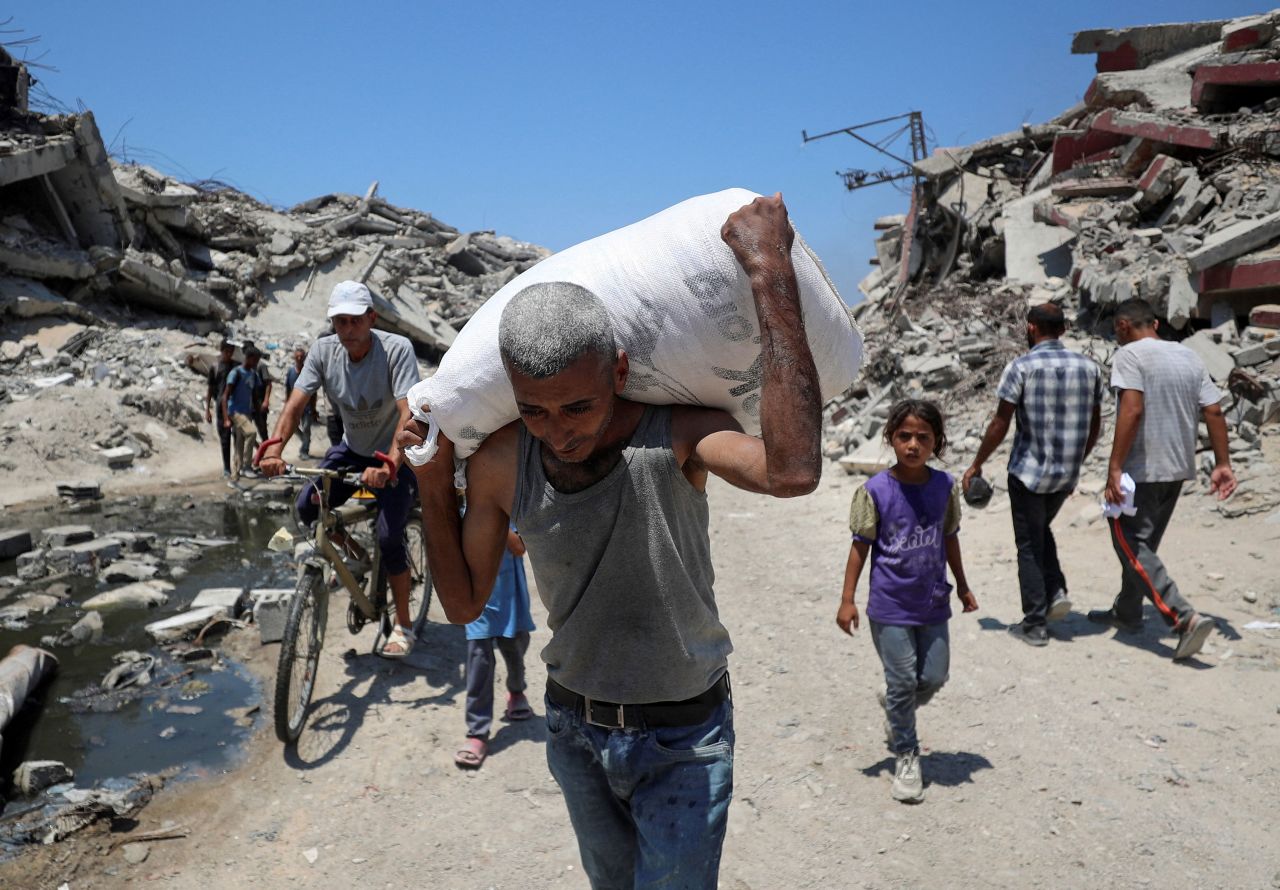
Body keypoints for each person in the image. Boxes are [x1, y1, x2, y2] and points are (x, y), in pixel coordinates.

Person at [399, 194, 823, 889]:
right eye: (534, 411)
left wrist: (769, 274)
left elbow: (793, 472)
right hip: (574, 731)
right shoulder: (504, 461)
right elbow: (465, 605)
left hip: (684, 738)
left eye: (578, 406)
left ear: (619, 373)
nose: (558, 431)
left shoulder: (677, 435)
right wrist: (432, 479)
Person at [260, 280, 422, 657]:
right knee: (307, 507)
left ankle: (404, 625)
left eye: (354, 320)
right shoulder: (323, 350)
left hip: (393, 454)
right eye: (339, 321)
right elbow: (295, 405)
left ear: (371, 318)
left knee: (389, 537)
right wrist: (274, 450)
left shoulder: (396, 349)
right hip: (351, 449)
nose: (347, 329)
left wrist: (390, 464)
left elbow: (407, 414)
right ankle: (355, 556)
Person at [836, 399, 978, 804]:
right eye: (904, 436)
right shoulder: (875, 491)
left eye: (923, 437)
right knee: (902, 681)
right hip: (889, 605)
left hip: (932, 601)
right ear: (891, 438)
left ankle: (895, 703)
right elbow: (860, 547)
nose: (913, 445)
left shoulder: (944, 487)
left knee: (933, 677)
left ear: (937, 442)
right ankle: (907, 754)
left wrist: (963, 586)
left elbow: (949, 538)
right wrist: (847, 600)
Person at [1089, 298, 1238, 661]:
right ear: (1155, 324)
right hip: (1177, 467)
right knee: (1144, 548)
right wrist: (1223, 463)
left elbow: (1132, 409)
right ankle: (1127, 611)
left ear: (1123, 326)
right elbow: (1213, 410)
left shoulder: (1129, 355)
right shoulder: (1188, 355)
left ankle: (1183, 617)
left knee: (1129, 543)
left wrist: (1114, 467)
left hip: (1142, 467)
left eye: (1116, 331)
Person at [961, 303, 1104, 646]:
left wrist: (977, 463)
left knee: (1027, 543)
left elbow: (1001, 422)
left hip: (1028, 473)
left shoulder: (1021, 367)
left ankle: (1035, 623)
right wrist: (1077, 461)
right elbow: (1095, 425)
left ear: (1031, 328)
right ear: (1063, 330)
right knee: (1040, 530)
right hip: (1065, 475)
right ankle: (1055, 591)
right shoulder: (1089, 368)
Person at [455, 527, 535, 770]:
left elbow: (519, 547)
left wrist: (496, 521)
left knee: (515, 648)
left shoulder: (507, 507)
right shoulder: (459, 507)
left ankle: (516, 690)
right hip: (476, 597)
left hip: (508, 592)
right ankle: (477, 731)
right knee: (479, 660)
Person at [220, 345, 262, 482]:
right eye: (255, 360)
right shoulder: (236, 373)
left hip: (247, 412)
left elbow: (254, 395)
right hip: (235, 412)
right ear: (248, 358)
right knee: (251, 433)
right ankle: (246, 466)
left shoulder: (253, 374)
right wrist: (226, 418)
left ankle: (235, 475)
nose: (256, 363)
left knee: (239, 442)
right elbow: (225, 396)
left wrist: (258, 412)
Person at [204, 338, 239, 479]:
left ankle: (238, 466)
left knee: (238, 438)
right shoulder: (215, 367)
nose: (229, 354)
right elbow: (210, 389)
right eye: (227, 351)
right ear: (222, 351)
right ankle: (226, 468)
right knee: (225, 439)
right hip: (220, 407)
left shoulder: (237, 367)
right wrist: (207, 409)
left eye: (231, 351)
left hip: (236, 406)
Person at [284, 345, 318, 459]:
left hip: (307, 406)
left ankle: (304, 450)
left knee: (306, 428)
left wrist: (313, 408)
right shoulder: (290, 372)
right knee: (293, 427)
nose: (299, 358)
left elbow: (314, 392)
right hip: (294, 406)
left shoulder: (308, 372)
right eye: (297, 356)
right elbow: (288, 388)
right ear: (294, 357)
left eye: (301, 357)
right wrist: (287, 403)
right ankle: (304, 440)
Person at [242, 339, 274, 442]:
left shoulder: (260, 366)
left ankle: (267, 449)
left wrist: (266, 401)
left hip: (259, 402)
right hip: (247, 403)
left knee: (262, 430)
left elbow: (268, 384)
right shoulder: (244, 366)